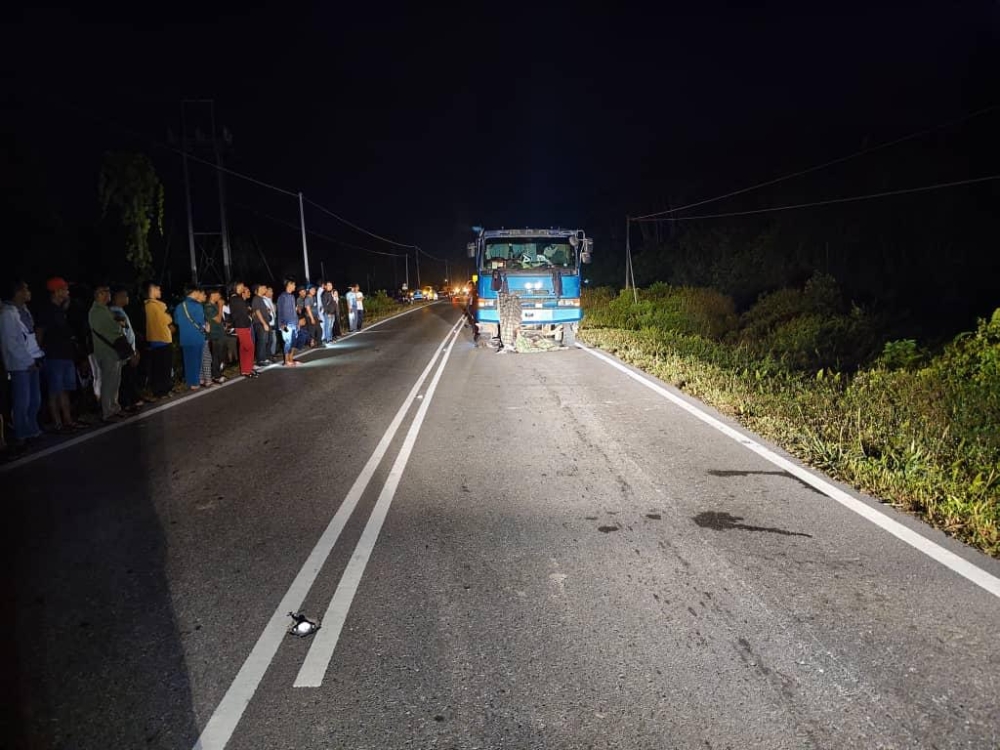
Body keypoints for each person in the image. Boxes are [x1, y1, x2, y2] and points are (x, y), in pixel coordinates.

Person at [0, 279, 43, 444]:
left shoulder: (23, 310)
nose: (29, 292)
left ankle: (32, 430)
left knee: (34, 399)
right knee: (22, 401)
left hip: (32, 359)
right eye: (26, 290)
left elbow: (29, 337)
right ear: (18, 292)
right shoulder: (7, 314)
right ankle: (22, 434)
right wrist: (27, 360)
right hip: (19, 364)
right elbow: (11, 343)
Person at [34, 277, 80, 430]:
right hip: (53, 356)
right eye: (65, 289)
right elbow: (39, 332)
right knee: (55, 391)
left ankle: (67, 420)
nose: (68, 292)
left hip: (65, 355)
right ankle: (58, 423)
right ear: (57, 291)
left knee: (63, 390)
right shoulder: (47, 311)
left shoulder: (60, 310)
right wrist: (38, 354)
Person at [88, 284, 126, 421]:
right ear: (99, 294)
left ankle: (114, 407)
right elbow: (112, 327)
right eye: (106, 292)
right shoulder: (96, 311)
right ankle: (107, 411)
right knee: (108, 382)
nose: (108, 294)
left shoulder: (105, 309)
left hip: (113, 350)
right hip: (106, 350)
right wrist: (118, 325)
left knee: (115, 381)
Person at [110, 286, 143, 410]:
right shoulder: (116, 312)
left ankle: (129, 401)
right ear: (118, 298)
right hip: (125, 353)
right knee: (126, 378)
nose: (127, 298)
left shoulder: (120, 311)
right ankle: (126, 403)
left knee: (128, 377)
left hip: (128, 351)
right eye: (125, 296)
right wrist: (131, 352)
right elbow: (122, 333)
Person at [144, 281, 174, 399]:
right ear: (152, 290)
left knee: (157, 368)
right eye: (158, 289)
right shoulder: (157, 305)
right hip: (163, 339)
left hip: (153, 340)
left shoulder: (146, 306)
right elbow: (167, 320)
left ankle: (158, 391)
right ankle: (163, 391)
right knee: (164, 367)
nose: (160, 291)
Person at [177, 284, 209, 390]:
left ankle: (190, 382)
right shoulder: (197, 306)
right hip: (196, 337)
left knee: (188, 361)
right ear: (194, 292)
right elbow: (201, 322)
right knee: (196, 361)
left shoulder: (180, 306)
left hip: (184, 338)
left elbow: (176, 321)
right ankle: (195, 382)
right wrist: (205, 327)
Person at [228, 281, 256, 378]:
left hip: (240, 325)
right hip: (242, 326)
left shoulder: (233, 299)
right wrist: (250, 318)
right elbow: (244, 313)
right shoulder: (237, 299)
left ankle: (245, 370)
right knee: (250, 347)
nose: (243, 288)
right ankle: (248, 370)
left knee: (243, 348)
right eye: (241, 286)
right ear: (235, 287)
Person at [204, 289, 227, 383]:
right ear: (212, 295)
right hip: (215, 335)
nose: (220, 296)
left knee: (221, 354)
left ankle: (218, 373)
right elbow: (217, 320)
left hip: (220, 333)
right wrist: (221, 306)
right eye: (218, 294)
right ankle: (216, 375)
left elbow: (220, 319)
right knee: (216, 356)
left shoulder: (214, 305)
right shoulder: (208, 307)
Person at [276, 278, 300, 367]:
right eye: (293, 284)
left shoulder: (292, 297)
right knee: (288, 341)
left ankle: (291, 359)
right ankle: (286, 361)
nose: (295, 286)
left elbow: (294, 311)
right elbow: (280, 312)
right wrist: (281, 324)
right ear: (289, 284)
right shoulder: (282, 297)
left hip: (294, 323)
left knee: (293, 341)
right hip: (286, 324)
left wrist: (297, 322)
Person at [251, 283, 271, 367]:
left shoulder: (260, 299)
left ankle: (264, 358)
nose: (264, 289)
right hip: (260, 324)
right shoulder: (256, 298)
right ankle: (260, 360)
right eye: (263, 288)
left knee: (264, 341)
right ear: (257, 289)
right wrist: (264, 323)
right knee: (261, 341)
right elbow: (257, 312)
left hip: (264, 323)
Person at [262, 286, 278, 360]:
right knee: (270, 340)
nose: (272, 293)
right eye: (270, 291)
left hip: (273, 322)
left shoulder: (269, 300)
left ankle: (272, 354)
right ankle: (268, 355)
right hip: (268, 323)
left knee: (273, 339)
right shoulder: (263, 300)